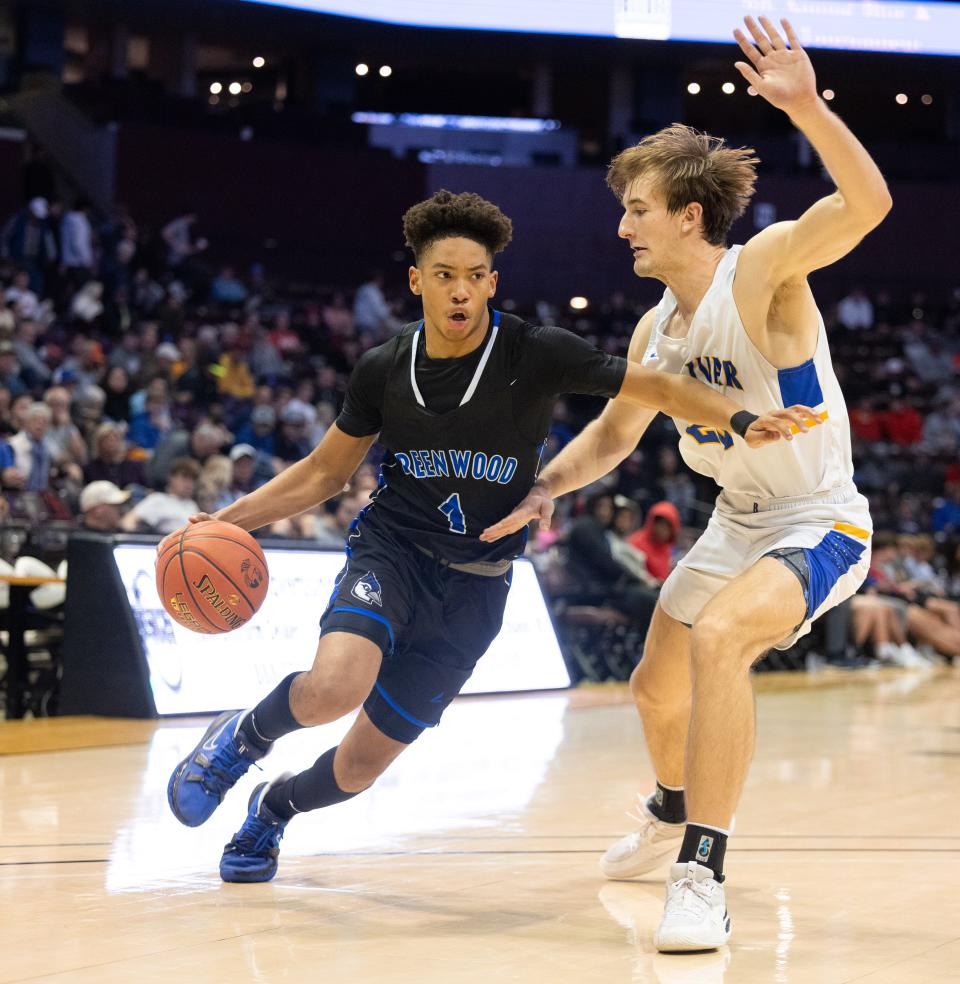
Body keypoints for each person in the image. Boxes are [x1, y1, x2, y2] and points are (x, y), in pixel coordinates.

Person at [164, 189, 811, 885]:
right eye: (444, 275)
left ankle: (273, 807)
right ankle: (241, 739)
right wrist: (225, 523)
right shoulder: (385, 367)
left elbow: (655, 387)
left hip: (476, 592)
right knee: (334, 686)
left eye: (475, 276)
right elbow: (325, 472)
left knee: (357, 768)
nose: (461, 290)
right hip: (395, 552)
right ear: (417, 281)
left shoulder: (534, 353)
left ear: (492, 283)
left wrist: (740, 418)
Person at [481, 17, 890, 953]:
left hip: (818, 522)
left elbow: (865, 205)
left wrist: (808, 107)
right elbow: (614, 435)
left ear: (688, 217)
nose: (622, 224)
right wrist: (545, 488)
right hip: (735, 523)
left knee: (719, 642)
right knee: (652, 689)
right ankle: (671, 807)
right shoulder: (654, 331)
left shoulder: (766, 275)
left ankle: (701, 872)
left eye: (637, 208)